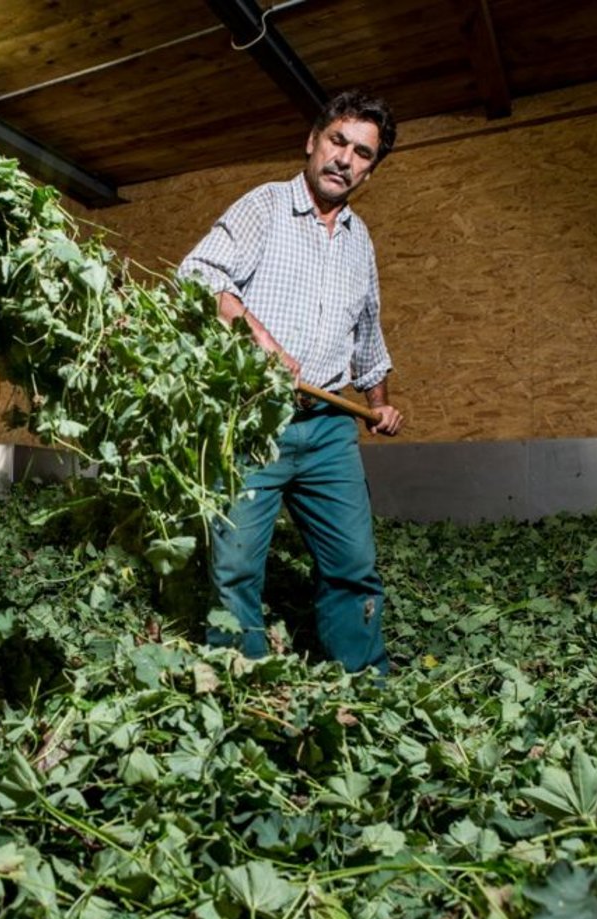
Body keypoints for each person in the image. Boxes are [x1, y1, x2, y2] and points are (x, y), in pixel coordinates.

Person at [178, 90, 403, 676]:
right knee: (236, 566)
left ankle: (365, 683)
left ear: (370, 168)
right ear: (312, 141)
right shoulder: (266, 207)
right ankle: (243, 684)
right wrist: (261, 339)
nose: (344, 159)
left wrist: (378, 403)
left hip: (330, 430)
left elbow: (367, 330)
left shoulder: (360, 240)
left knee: (354, 562)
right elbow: (197, 275)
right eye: (337, 142)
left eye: (361, 153)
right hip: (257, 420)